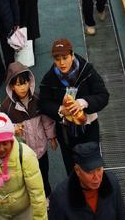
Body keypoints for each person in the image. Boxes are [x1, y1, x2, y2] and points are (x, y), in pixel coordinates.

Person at [38, 39, 109, 175]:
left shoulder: (87, 72)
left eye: (65, 58)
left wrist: (83, 102)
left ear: (72, 55)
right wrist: (61, 110)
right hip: (65, 131)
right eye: (57, 59)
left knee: (92, 166)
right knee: (72, 167)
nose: (62, 63)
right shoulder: (49, 79)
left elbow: (103, 96)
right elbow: (44, 103)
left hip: (89, 127)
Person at [0, 111, 47, 220]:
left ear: (11, 140)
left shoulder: (26, 155)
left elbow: (37, 194)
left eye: (5, 143)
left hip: (23, 211)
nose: (1, 149)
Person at [0, 62, 57, 200]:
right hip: (23, 152)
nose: (23, 87)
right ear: (12, 86)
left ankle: (46, 196)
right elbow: (3, 129)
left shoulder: (37, 99)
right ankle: (32, 198)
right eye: (19, 84)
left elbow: (46, 120)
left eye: (25, 83)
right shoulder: (6, 107)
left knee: (44, 174)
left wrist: (52, 137)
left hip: (41, 149)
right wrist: (13, 129)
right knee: (27, 177)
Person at [48, 143, 125, 219]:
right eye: (90, 172)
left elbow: (122, 216)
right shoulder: (60, 198)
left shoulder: (112, 183)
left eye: (99, 169)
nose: (96, 177)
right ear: (77, 170)